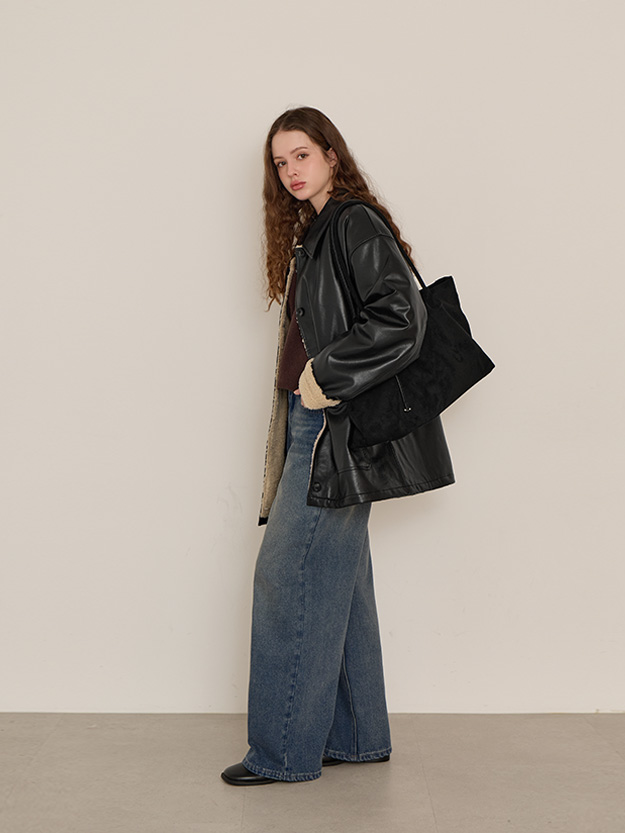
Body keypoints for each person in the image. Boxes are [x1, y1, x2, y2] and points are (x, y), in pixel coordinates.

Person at [221, 106, 454, 786]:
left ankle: (282, 754)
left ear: (331, 154)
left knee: (285, 576)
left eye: (302, 155)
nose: (291, 170)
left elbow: (402, 316)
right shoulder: (318, 231)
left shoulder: (352, 222)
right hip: (315, 419)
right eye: (280, 162)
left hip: (331, 424)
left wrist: (326, 375)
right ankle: (356, 737)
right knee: (338, 582)